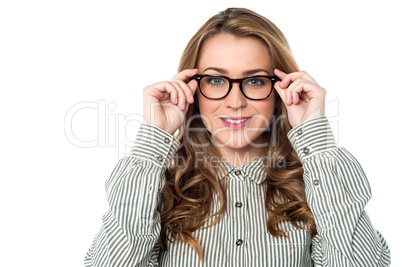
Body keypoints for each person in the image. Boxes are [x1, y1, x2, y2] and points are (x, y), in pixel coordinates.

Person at [84, 7, 391, 266]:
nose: (235, 101)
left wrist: (314, 133)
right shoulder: (158, 184)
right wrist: (154, 139)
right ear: (192, 90)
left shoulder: (317, 185)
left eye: (255, 81)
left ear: (279, 90)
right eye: (216, 79)